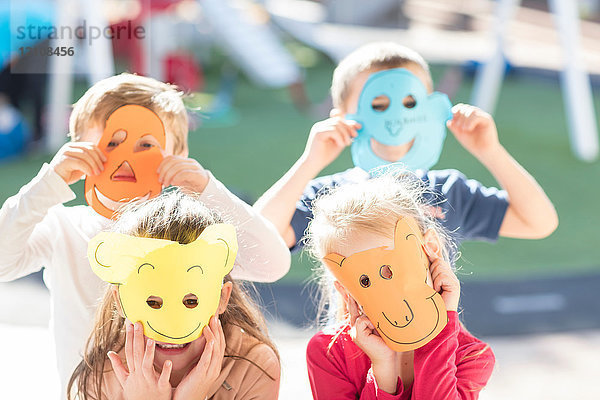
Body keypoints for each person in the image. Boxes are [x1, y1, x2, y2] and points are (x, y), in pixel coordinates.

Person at [0, 73, 290, 396]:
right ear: (79, 150)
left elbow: (273, 263)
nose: (126, 157)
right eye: (111, 143)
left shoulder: (188, 239)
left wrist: (207, 189)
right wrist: (48, 184)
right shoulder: (63, 228)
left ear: (177, 153)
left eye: (146, 144)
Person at [254, 42, 558, 250]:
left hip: (435, 345)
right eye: (378, 103)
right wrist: (309, 162)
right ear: (344, 116)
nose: (396, 115)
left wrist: (490, 152)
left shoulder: (450, 191)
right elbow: (260, 239)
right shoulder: (329, 197)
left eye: (409, 102)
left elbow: (538, 223)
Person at [68, 190, 280, 400]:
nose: (172, 324)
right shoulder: (103, 376)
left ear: (222, 298)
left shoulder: (255, 367)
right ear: (120, 301)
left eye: (190, 301)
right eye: (152, 302)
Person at [305, 173, 494, 399]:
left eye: (390, 270)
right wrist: (382, 369)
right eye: (365, 281)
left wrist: (438, 331)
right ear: (346, 291)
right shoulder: (328, 352)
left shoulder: (472, 357)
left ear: (430, 247)